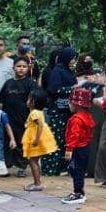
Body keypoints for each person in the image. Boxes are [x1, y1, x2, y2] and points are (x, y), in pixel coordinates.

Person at [42, 47, 77, 176]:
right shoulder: (57, 71)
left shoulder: (68, 71)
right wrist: (72, 89)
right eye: (72, 58)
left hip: (68, 110)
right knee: (55, 138)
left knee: (64, 139)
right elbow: (53, 89)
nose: (73, 61)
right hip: (57, 110)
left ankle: (62, 167)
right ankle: (51, 168)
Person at [0, 57, 36, 177]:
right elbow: (1, 101)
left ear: (28, 68)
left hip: (24, 118)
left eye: (24, 66)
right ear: (13, 68)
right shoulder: (8, 83)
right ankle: (6, 165)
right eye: (19, 66)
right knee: (7, 141)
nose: (21, 69)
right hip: (8, 118)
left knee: (22, 142)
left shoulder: (30, 83)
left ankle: (21, 166)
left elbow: (34, 101)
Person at [62, 86, 95, 204]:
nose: (69, 105)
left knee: (76, 171)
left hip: (77, 149)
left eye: (70, 103)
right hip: (85, 147)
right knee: (79, 171)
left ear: (77, 104)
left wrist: (69, 149)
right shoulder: (88, 117)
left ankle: (78, 193)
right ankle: (79, 191)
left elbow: (74, 135)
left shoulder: (76, 119)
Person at [22, 88, 57, 191]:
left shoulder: (34, 113)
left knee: (33, 161)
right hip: (37, 137)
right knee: (34, 161)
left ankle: (37, 184)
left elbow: (40, 126)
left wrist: (36, 140)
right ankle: (36, 182)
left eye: (29, 99)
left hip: (35, 139)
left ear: (33, 102)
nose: (27, 101)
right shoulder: (38, 111)